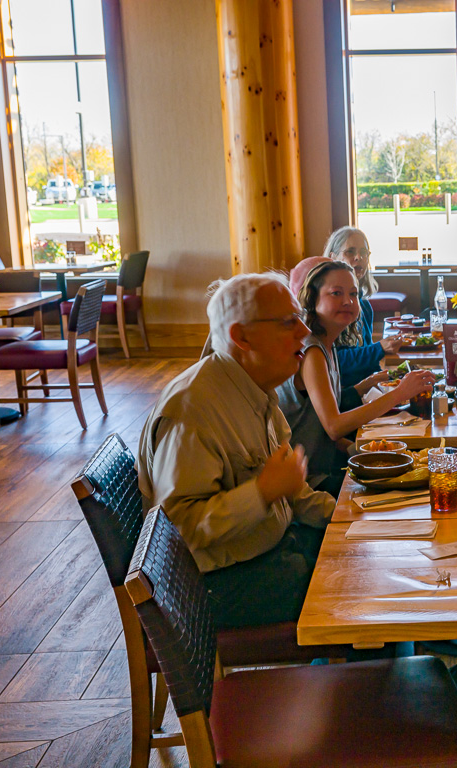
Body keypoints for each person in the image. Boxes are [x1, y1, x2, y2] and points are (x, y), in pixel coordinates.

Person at [138, 272, 336, 630]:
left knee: (358, 557)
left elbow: (292, 490)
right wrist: (261, 492)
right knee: (350, 590)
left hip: (269, 555)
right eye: (287, 323)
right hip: (218, 590)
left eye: (300, 320)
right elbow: (178, 530)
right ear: (241, 337)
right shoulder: (193, 409)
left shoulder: (256, 388)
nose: (303, 333)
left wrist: (348, 519)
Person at [278, 260, 436, 496]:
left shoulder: (326, 345)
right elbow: (333, 427)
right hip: (308, 484)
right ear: (312, 299)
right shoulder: (312, 351)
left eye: (353, 294)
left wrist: (359, 449)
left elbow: (324, 430)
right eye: (336, 293)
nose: (347, 301)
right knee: (411, 494)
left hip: (325, 467)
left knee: (420, 475)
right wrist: (399, 393)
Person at [305, 228, 408, 390]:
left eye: (364, 252)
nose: (358, 257)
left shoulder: (364, 306)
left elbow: (367, 364)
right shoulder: (326, 309)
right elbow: (335, 362)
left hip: (365, 392)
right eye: (350, 251)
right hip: (342, 395)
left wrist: (387, 383)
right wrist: (379, 348)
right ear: (332, 257)